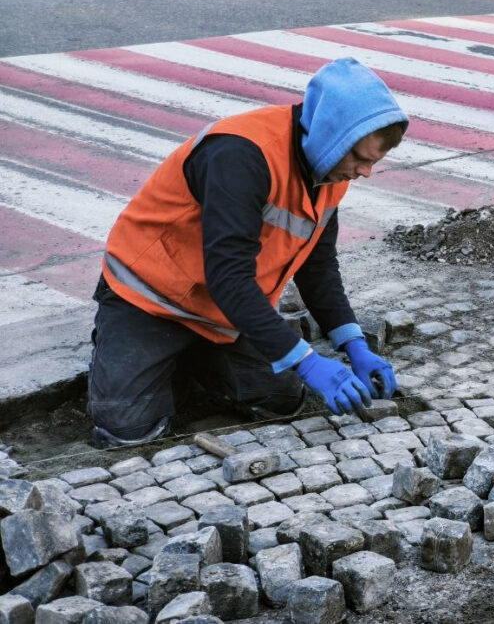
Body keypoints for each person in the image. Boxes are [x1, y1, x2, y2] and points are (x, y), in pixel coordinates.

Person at [87, 57, 407, 447]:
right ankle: (131, 351)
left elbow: (318, 267)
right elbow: (229, 277)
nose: (365, 172)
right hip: (149, 300)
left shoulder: (329, 172)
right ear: (330, 133)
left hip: (222, 312)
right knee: (125, 428)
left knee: (282, 400)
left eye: (373, 162)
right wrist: (307, 362)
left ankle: (193, 359)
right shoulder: (241, 154)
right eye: (360, 158)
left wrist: (352, 342)